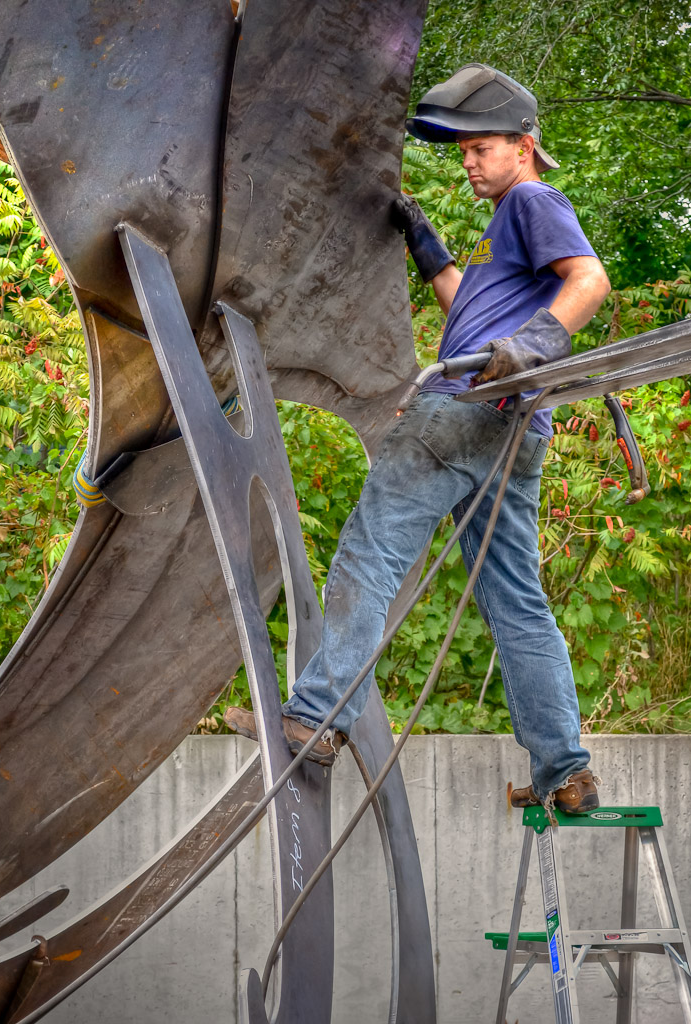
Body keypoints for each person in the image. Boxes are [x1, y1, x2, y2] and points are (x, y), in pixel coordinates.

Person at [226, 63, 610, 816]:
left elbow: (588, 280)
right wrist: (426, 244)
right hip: (515, 427)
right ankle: (566, 770)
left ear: (524, 146)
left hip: (465, 409)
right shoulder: (508, 223)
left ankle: (315, 719)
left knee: (371, 554)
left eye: (482, 148)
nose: (469, 162)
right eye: (462, 151)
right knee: (517, 603)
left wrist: (534, 343)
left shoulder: (533, 198)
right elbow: (473, 308)